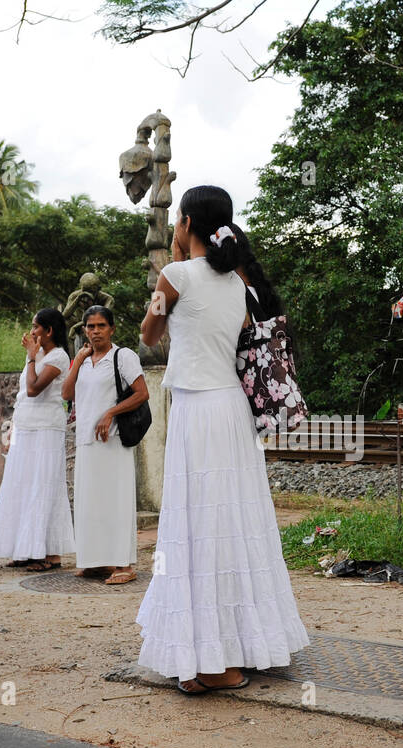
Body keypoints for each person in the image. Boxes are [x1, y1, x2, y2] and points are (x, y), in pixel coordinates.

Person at [135, 185, 310, 694]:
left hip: (197, 410)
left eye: (176, 223)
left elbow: (149, 334)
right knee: (235, 521)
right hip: (232, 412)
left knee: (198, 527)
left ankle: (214, 664)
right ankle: (241, 645)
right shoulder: (241, 283)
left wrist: (162, 290)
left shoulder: (174, 276)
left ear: (185, 222)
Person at [0, 308, 75, 571]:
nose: (31, 331)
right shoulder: (37, 356)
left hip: (46, 427)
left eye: (36, 327)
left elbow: (35, 389)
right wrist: (14, 428)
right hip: (26, 426)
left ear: (49, 331)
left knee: (44, 484)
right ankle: (25, 548)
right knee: (22, 483)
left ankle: (51, 554)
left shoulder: (58, 357)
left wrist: (32, 358)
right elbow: (23, 394)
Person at [62, 305, 148, 584]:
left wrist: (110, 412)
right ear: (84, 330)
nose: (95, 331)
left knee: (116, 502)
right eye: (90, 326)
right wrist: (78, 359)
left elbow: (142, 393)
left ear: (111, 328)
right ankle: (94, 562)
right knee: (89, 503)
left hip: (112, 440)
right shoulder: (84, 359)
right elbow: (66, 392)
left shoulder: (123, 357)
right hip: (86, 441)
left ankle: (123, 565)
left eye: (100, 326)